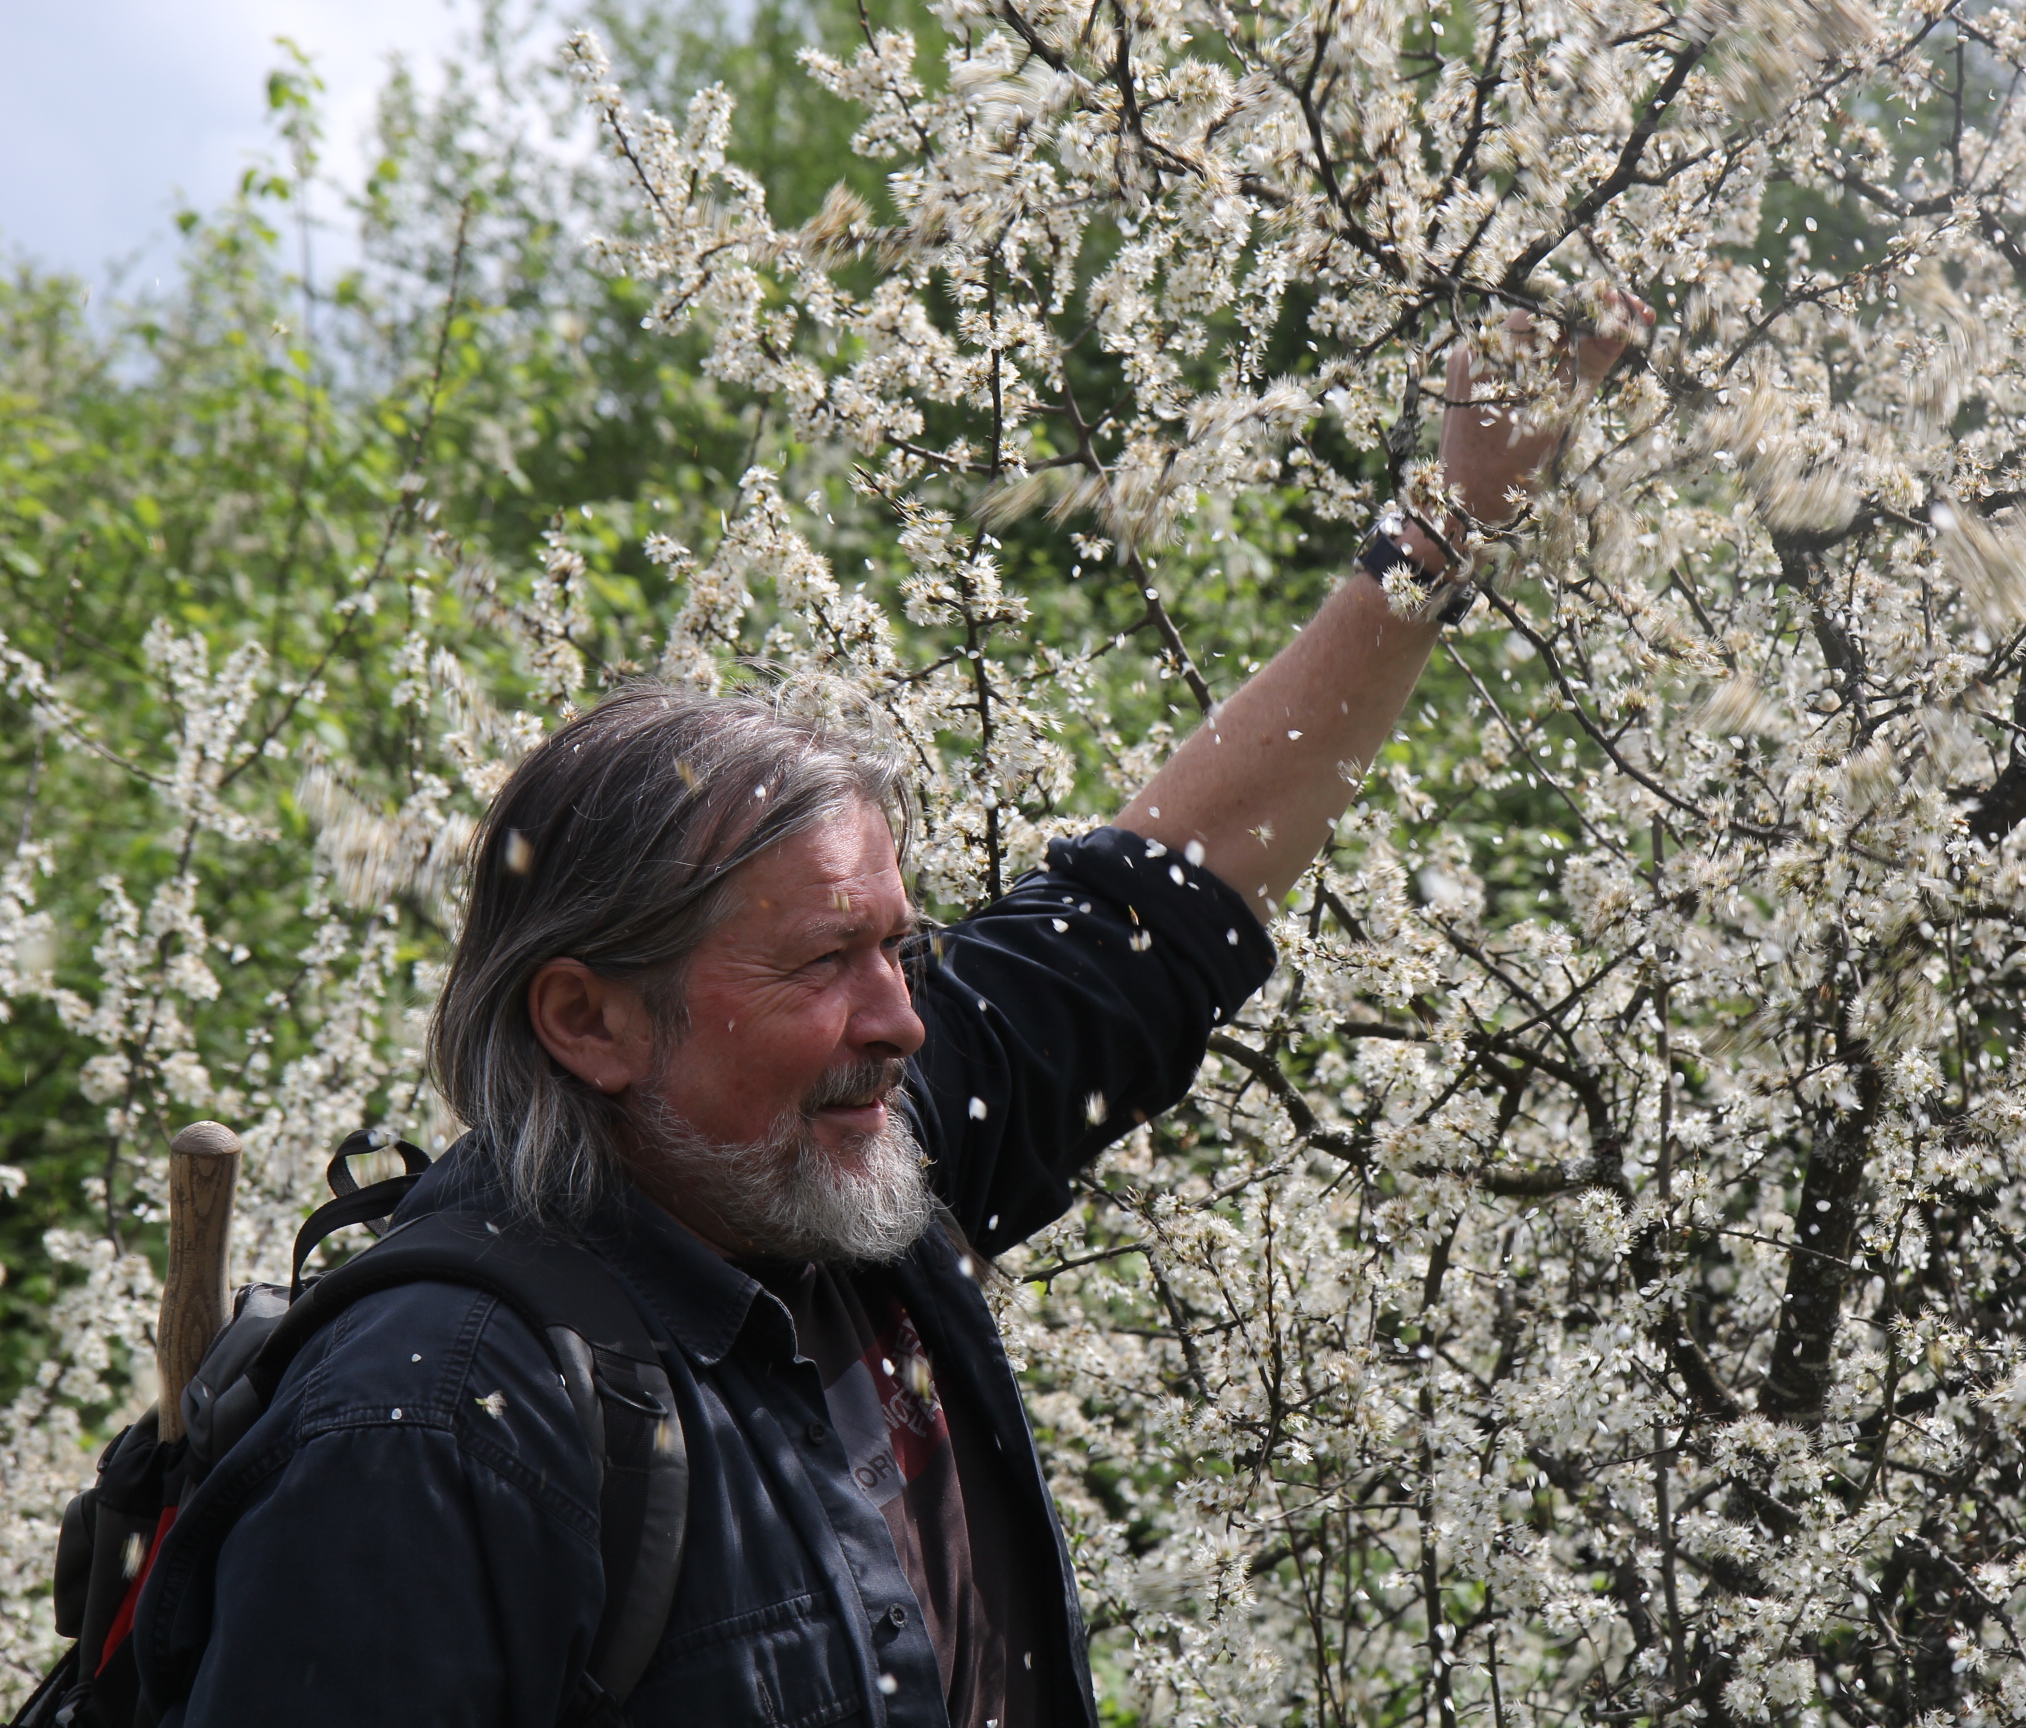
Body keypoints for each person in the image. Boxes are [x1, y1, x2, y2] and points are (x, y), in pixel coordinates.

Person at [128, 305, 1640, 1727]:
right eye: (821, 964)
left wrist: (1455, 514)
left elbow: (1188, 873)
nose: (903, 1020)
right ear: (589, 1021)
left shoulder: (846, 1176)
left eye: (901, 951)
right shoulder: (435, 1426)